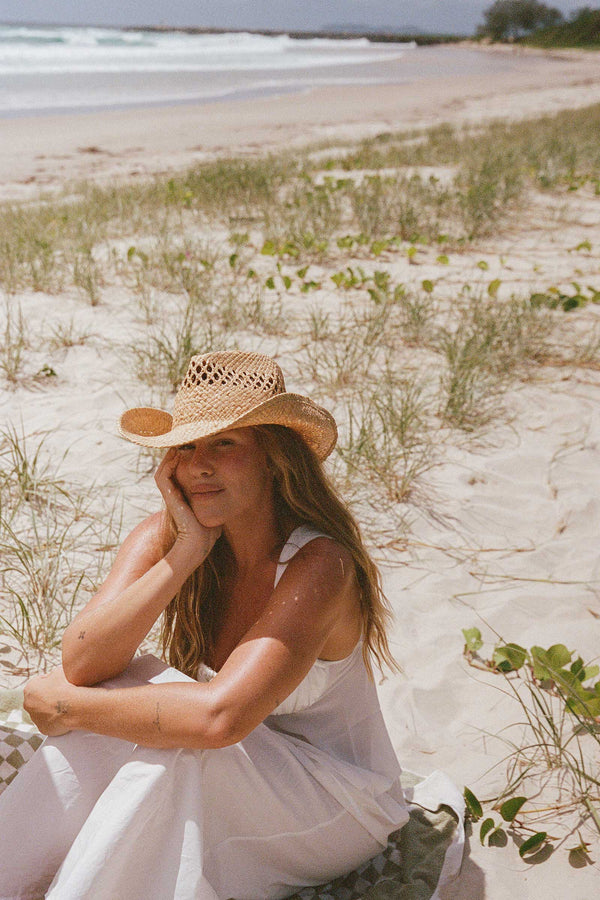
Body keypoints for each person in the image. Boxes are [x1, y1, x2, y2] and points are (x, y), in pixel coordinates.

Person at [0, 351, 463, 900]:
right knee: (111, 723)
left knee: (171, 747)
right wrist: (186, 552)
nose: (199, 465)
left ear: (275, 458)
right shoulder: (170, 534)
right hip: (235, 770)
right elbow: (83, 663)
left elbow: (219, 718)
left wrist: (66, 707)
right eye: (188, 445)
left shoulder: (320, 565)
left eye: (225, 443)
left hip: (336, 800)